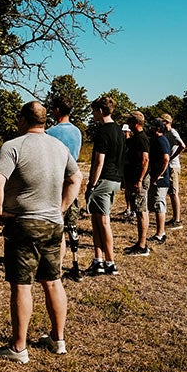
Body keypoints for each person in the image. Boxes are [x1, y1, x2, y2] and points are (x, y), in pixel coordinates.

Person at [0, 101, 82, 363]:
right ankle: (58, 339)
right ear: (43, 121)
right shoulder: (59, 146)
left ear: (21, 120)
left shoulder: (13, 146)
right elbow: (76, 178)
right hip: (53, 223)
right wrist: (60, 207)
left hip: (24, 224)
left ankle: (18, 348)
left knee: (22, 285)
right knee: (53, 280)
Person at [84, 95, 124, 276]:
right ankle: (98, 260)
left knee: (103, 222)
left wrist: (91, 184)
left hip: (104, 180)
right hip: (116, 180)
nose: (92, 114)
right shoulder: (119, 131)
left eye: (93, 111)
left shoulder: (103, 132)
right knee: (96, 221)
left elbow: (99, 162)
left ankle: (110, 262)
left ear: (100, 111)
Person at [45, 96, 83, 278]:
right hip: (72, 181)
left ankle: (57, 266)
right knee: (72, 224)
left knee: (57, 224)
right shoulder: (77, 132)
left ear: (58, 110)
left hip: (56, 182)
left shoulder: (50, 133)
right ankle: (75, 262)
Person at [123, 111, 151, 257]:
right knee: (139, 209)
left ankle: (142, 245)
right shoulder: (135, 138)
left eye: (129, 121)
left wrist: (139, 180)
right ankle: (140, 243)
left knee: (141, 210)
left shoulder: (141, 139)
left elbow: (145, 160)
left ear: (136, 123)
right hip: (134, 179)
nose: (127, 123)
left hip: (139, 180)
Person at [147, 119, 172, 245]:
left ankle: (160, 234)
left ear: (158, 129)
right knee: (156, 205)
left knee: (159, 205)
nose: (149, 129)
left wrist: (157, 176)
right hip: (157, 178)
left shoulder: (162, 141)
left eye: (152, 127)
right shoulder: (156, 140)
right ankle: (159, 232)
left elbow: (166, 159)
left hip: (161, 180)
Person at [160, 114, 187, 228]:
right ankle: (174, 218)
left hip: (173, 166)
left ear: (167, 122)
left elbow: (182, 145)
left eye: (163, 122)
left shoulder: (173, 133)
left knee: (174, 193)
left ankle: (177, 220)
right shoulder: (165, 133)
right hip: (168, 165)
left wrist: (172, 157)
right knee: (170, 193)